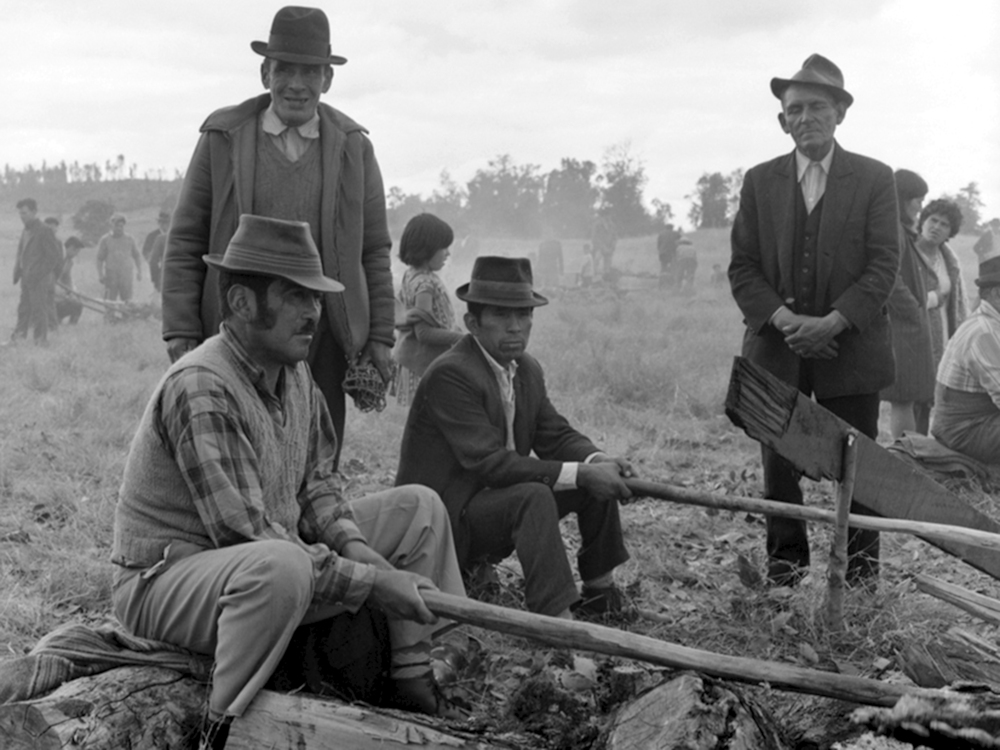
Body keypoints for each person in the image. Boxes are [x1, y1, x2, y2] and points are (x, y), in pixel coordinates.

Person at [112, 215, 466, 750]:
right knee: (282, 565)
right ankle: (221, 726)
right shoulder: (202, 385)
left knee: (419, 508)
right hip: (167, 580)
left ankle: (412, 680)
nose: (312, 314)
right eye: (296, 296)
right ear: (240, 304)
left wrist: (361, 551)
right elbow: (247, 534)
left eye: (316, 299)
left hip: (263, 560)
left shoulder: (294, 372)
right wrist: (374, 583)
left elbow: (318, 486)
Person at [161, 7, 393, 467]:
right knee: (235, 452)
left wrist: (381, 336)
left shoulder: (354, 148)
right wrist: (182, 330)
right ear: (265, 72)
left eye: (310, 72)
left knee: (317, 460)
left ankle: (313, 539)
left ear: (327, 79)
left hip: (322, 334)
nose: (296, 84)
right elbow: (187, 239)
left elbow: (374, 250)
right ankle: (255, 540)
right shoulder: (223, 138)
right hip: (239, 329)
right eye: (284, 69)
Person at [729, 54, 899, 586]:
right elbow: (744, 267)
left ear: (840, 113)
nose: (806, 117)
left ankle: (862, 574)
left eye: (818, 107)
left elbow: (883, 263)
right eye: (795, 109)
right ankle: (784, 567)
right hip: (778, 349)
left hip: (851, 349)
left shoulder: (874, 178)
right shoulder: (759, 182)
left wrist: (833, 322)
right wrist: (785, 322)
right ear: (782, 120)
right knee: (779, 463)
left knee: (859, 465)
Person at [395, 256, 633, 619]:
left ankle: (601, 594)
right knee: (536, 494)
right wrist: (582, 473)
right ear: (472, 323)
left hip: (491, 506)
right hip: (448, 521)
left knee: (592, 479)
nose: (516, 328)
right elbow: (491, 464)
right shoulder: (451, 374)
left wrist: (597, 461)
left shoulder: (526, 369)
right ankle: (555, 621)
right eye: (502, 317)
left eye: (524, 316)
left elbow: (554, 433)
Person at [881, 169, 936, 438]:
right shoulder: (894, 229)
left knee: (908, 398)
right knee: (904, 398)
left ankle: (906, 459)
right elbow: (890, 279)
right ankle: (905, 460)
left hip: (906, 328)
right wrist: (913, 310)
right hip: (903, 329)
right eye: (918, 199)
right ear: (904, 198)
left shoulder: (900, 229)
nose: (920, 205)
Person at [931, 256, 1000, 464]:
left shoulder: (988, 323)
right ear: (997, 294)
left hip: (969, 424)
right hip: (966, 430)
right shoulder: (985, 332)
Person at [391, 213, 463, 406]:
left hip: (413, 360)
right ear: (426, 248)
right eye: (444, 248)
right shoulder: (425, 285)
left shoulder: (412, 275)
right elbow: (424, 333)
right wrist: (462, 339)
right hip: (422, 365)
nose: (448, 253)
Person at [914, 198, 967, 391]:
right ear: (923, 221)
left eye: (944, 224)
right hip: (911, 336)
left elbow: (958, 305)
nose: (936, 227)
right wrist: (934, 298)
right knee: (912, 399)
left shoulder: (950, 260)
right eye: (933, 220)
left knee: (932, 399)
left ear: (950, 232)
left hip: (942, 335)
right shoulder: (906, 251)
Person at [10, 198, 62, 345]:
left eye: (25, 213)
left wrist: (39, 274)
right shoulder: (26, 230)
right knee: (23, 309)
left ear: (34, 212)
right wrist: (17, 272)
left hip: (39, 279)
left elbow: (53, 257)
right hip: (26, 277)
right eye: (20, 213)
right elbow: (21, 252)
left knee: (39, 310)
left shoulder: (44, 230)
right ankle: (18, 339)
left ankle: (40, 341)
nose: (22, 216)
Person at [96, 214, 142, 302]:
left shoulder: (129, 239)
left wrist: (139, 271)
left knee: (127, 302)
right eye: (116, 226)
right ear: (111, 225)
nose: (119, 228)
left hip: (126, 275)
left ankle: (126, 316)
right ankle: (109, 316)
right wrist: (100, 274)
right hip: (111, 275)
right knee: (109, 302)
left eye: (121, 226)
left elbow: (137, 256)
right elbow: (99, 259)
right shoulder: (105, 239)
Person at [55, 237, 85, 325]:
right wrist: (63, 293)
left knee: (78, 304)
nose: (76, 254)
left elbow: (68, 280)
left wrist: (75, 292)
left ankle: (71, 326)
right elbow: (52, 280)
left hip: (58, 298)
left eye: (77, 252)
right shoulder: (56, 259)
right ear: (70, 248)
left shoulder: (69, 263)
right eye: (75, 251)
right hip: (48, 298)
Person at [142, 211, 171, 292]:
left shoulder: (174, 235)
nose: (164, 224)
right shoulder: (152, 236)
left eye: (166, 222)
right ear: (159, 223)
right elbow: (145, 250)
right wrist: (150, 259)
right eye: (161, 222)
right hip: (155, 268)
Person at [657, 223, 681, 288]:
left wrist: (660, 251)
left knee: (663, 267)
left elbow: (658, 244)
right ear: (672, 228)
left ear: (666, 227)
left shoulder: (661, 233)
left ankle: (661, 283)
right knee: (673, 268)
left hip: (663, 253)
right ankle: (672, 283)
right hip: (672, 253)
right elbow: (680, 242)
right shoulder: (676, 233)